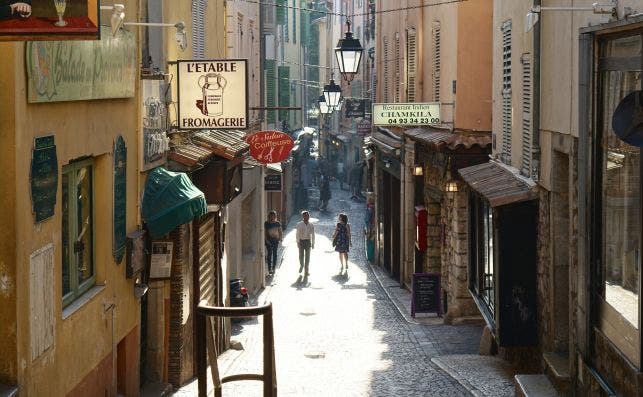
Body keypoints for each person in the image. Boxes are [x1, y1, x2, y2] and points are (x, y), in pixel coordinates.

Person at [295, 210, 315, 276]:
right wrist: (297, 242)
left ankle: (306, 270)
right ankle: (301, 265)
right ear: (303, 217)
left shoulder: (311, 225)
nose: (306, 217)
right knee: (301, 256)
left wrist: (313, 243)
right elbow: (297, 234)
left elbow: (313, 234)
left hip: (308, 242)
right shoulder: (299, 224)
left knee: (307, 257)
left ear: (309, 217)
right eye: (305, 216)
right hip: (301, 241)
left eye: (308, 216)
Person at [264, 210, 282, 275]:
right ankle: (269, 269)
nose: (273, 217)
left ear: (275, 216)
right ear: (269, 216)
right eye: (272, 216)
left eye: (274, 216)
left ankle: (273, 268)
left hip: (275, 240)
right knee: (269, 254)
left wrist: (280, 239)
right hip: (269, 240)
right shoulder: (266, 223)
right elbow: (265, 233)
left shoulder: (277, 223)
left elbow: (280, 231)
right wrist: (266, 240)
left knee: (275, 254)